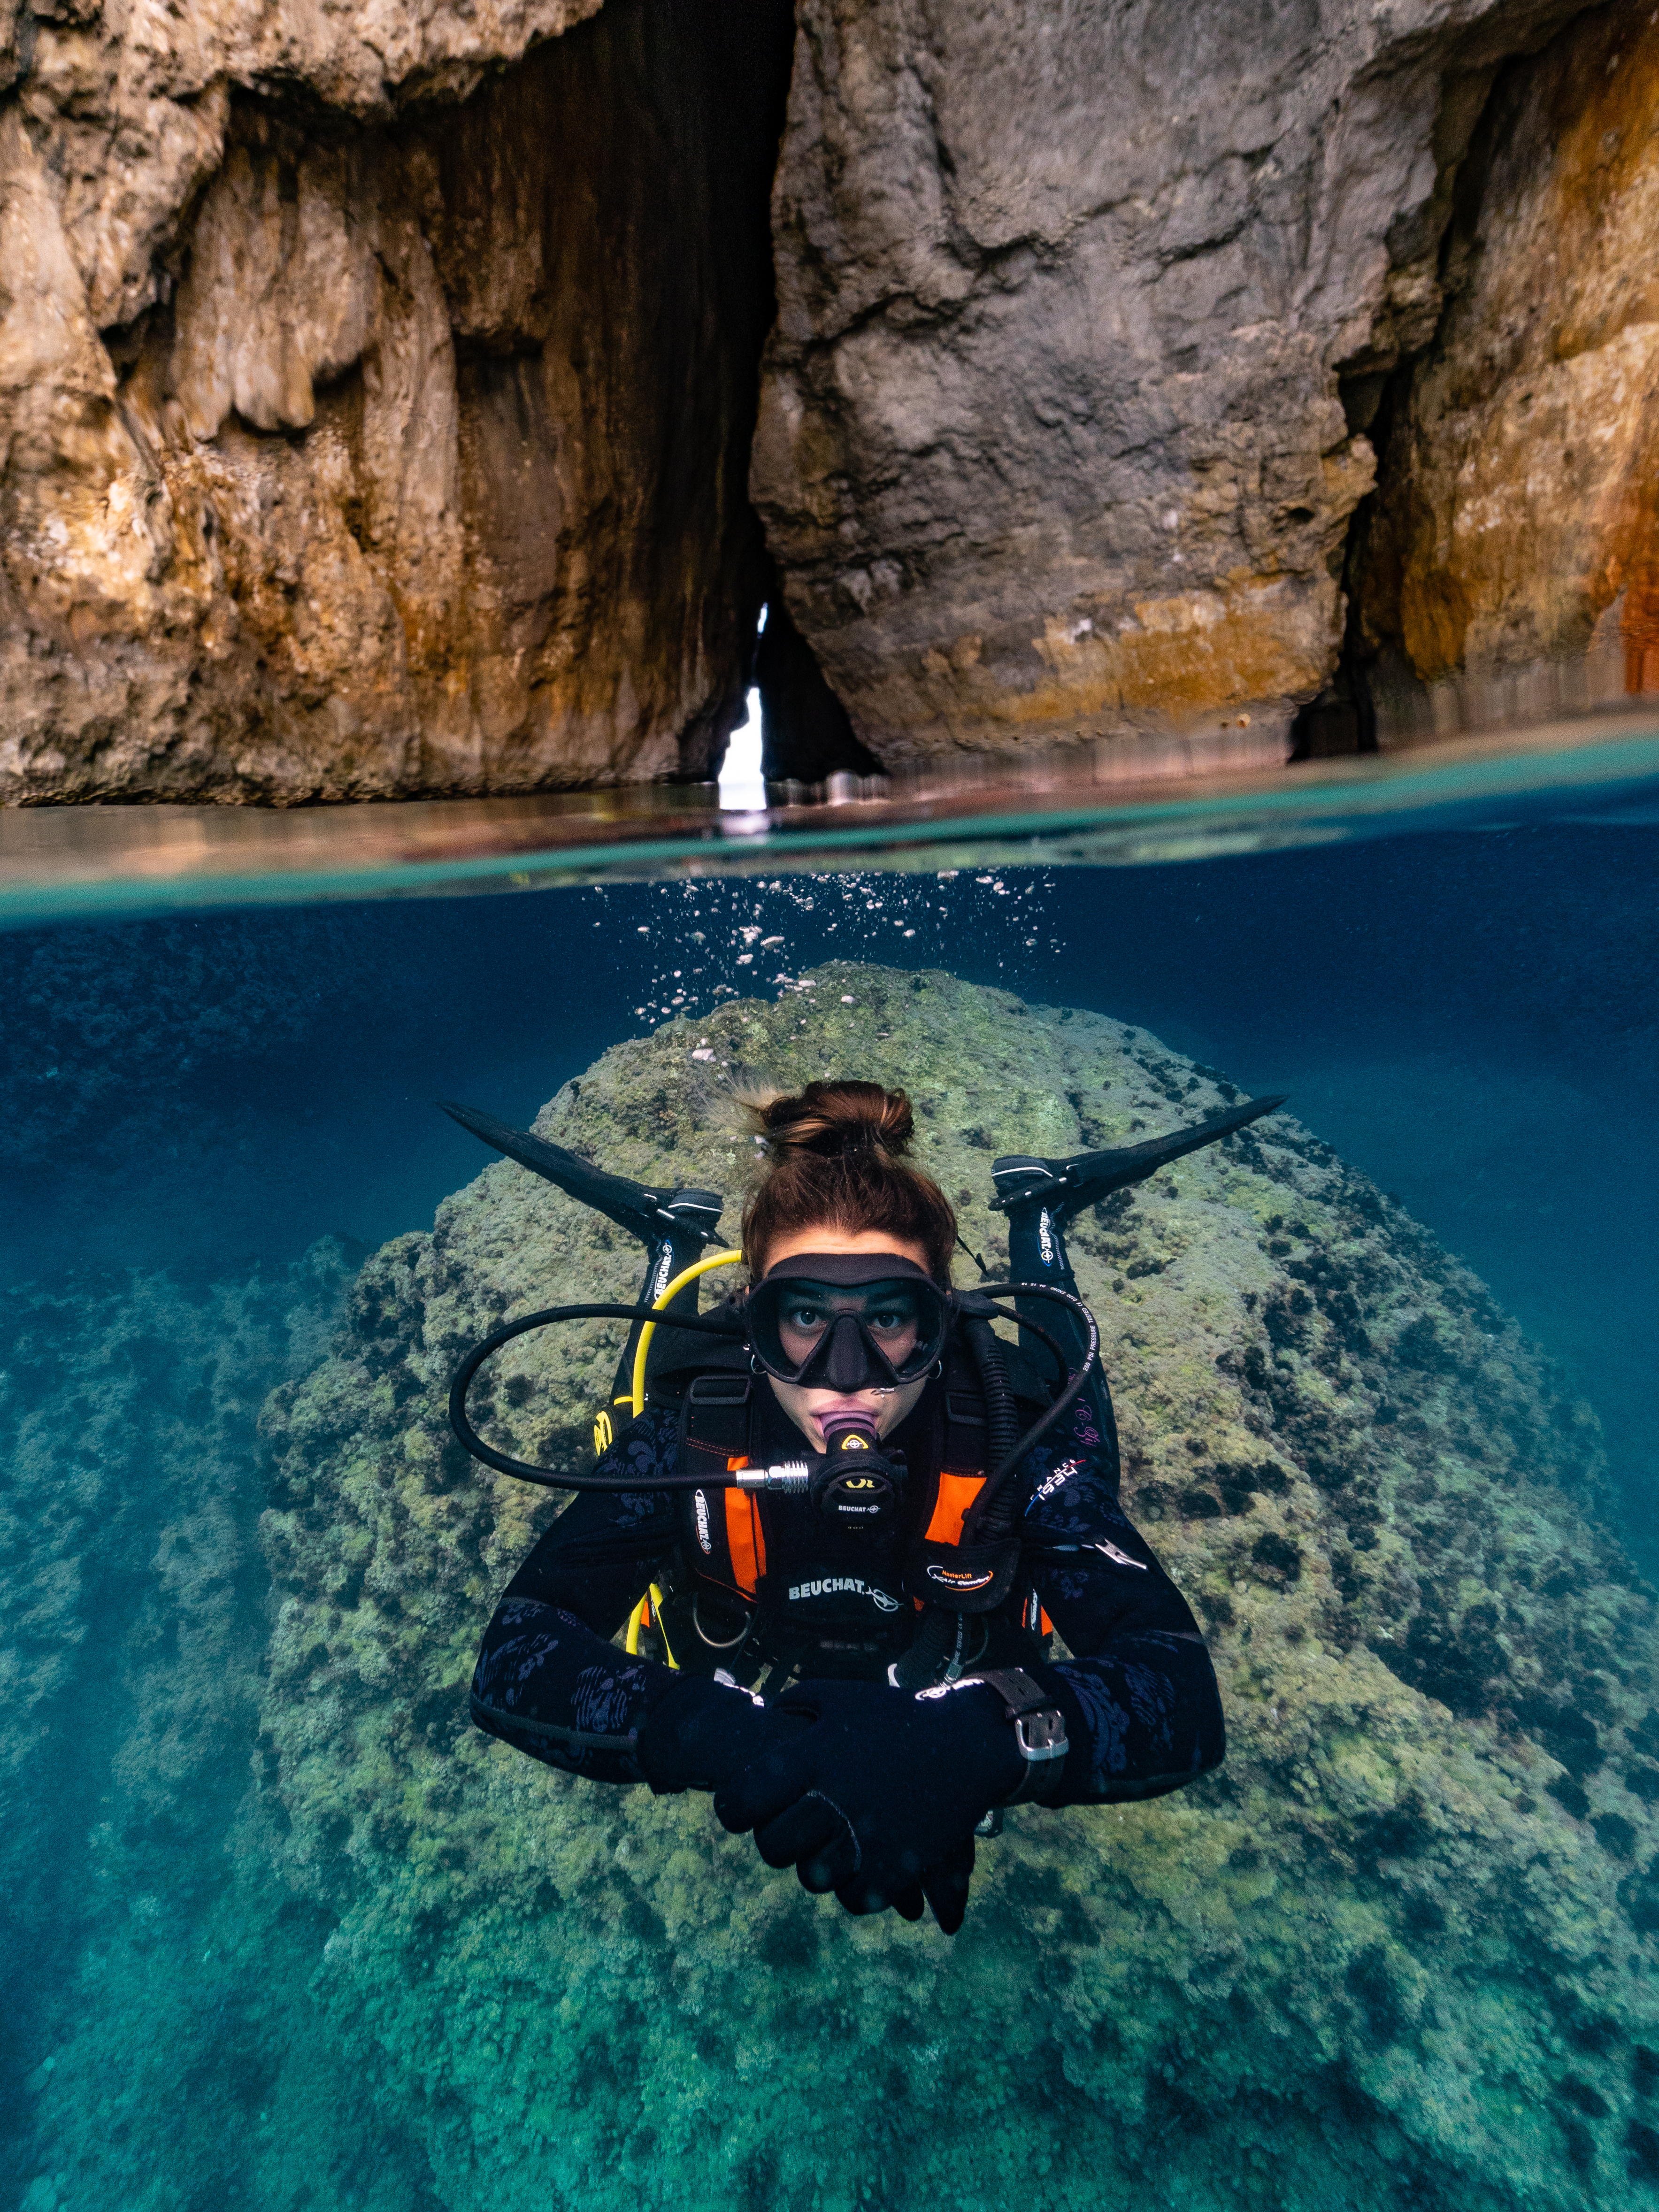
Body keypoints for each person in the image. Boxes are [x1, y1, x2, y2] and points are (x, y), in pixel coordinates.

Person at [467, 1080, 1237, 1933]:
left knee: (1070, 1408)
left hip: (958, 1618)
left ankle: (1040, 1218)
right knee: (648, 1396)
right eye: (801, 1316)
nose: (847, 1375)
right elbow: (517, 1652)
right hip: (754, 1625)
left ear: (938, 1320)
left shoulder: (1007, 1435)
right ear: (752, 1320)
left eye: (887, 1319)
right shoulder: (698, 1431)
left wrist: (969, 1748)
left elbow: (1179, 1690)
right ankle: (673, 1243)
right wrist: (730, 1740)